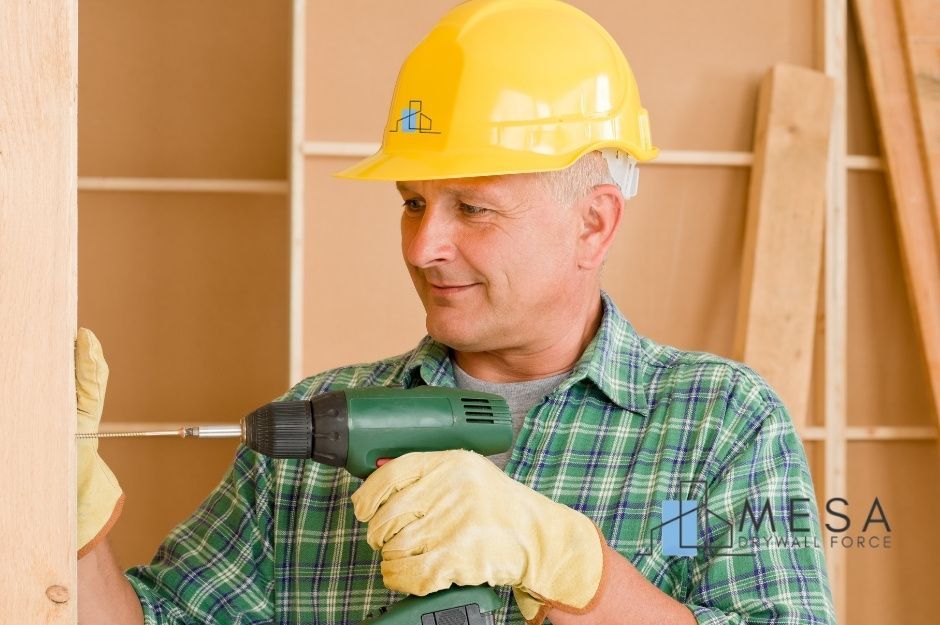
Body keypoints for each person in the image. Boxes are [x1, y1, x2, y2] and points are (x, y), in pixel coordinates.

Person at [77, 1, 836, 624]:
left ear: (594, 223)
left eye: (472, 206)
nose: (424, 245)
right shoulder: (312, 437)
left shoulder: (719, 426)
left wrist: (574, 570)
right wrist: (69, 517)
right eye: (413, 203)